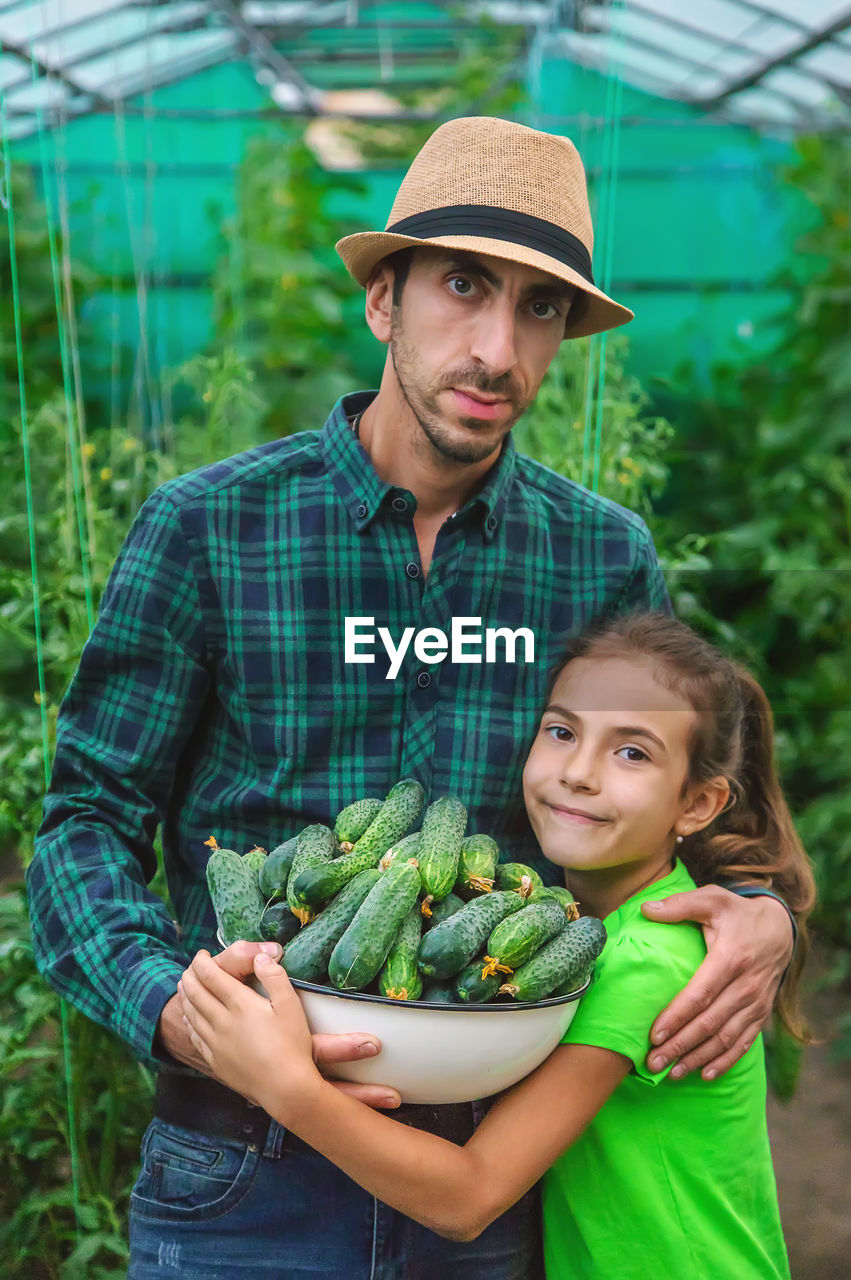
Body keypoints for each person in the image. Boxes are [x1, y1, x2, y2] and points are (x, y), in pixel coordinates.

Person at [27, 117, 798, 1278]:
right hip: (244, 1168)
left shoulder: (599, 556)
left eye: (538, 308)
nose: (496, 348)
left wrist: (751, 904)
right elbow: (82, 822)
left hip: (491, 1163)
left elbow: (663, 792)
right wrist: (171, 1009)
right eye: (461, 287)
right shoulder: (210, 528)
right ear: (384, 299)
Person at [179, 611, 816, 1278]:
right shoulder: (590, 932)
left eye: (632, 752)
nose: (578, 772)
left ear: (696, 804)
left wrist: (284, 1086)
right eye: (562, 731)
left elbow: (468, 1196)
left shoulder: (646, 960)